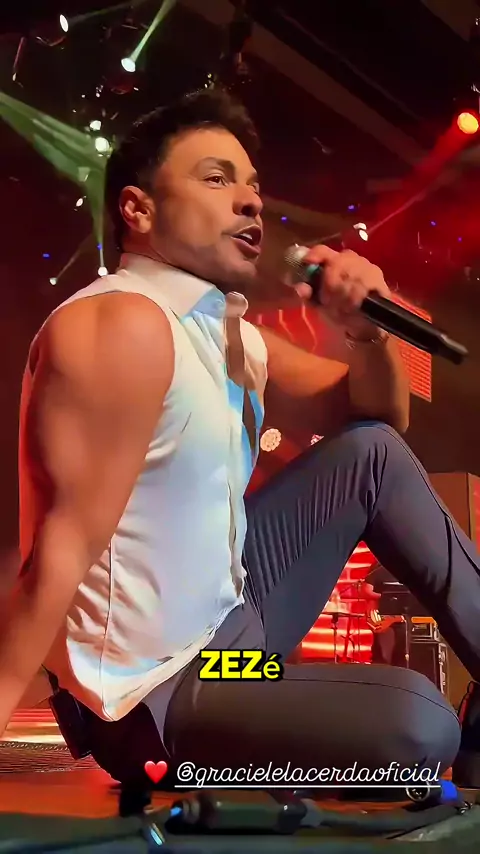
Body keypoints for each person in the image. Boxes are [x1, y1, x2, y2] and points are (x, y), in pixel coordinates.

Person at [1, 88, 480, 789]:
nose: (251, 201)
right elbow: (58, 551)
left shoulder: (226, 335)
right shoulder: (120, 324)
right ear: (138, 210)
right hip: (161, 693)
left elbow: (380, 414)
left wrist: (365, 331)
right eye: (216, 179)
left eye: (253, 185)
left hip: (233, 648)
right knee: (420, 719)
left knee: (370, 454)